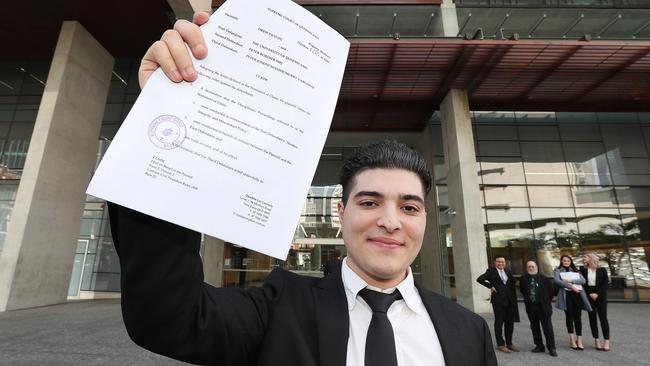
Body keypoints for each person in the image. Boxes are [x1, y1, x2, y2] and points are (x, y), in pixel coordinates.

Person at [108, 13, 498, 366]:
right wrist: (165, 109)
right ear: (341, 212)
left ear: (426, 218)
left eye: (409, 208)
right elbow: (168, 319)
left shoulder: (469, 333)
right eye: (370, 201)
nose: (390, 222)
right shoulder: (279, 307)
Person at [476, 255, 520, 353]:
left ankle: (509, 343)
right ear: (495, 262)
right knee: (499, 322)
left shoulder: (508, 271)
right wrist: (490, 286)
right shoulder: (491, 271)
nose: (501, 263)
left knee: (509, 322)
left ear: (505, 263)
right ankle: (500, 344)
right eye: (499, 262)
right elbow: (480, 279)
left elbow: (511, 282)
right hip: (498, 301)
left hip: (510, 300)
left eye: (503, 262)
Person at [554, 254, 593, 351]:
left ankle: (579, 340)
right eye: (564, 260)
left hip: (577, 296)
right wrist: (572, 286)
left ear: (570, 261)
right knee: (569, 317)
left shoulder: (575, 270)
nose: (566, 262)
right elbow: (557, 281)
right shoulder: (558, 270)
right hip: (566, 296)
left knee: (578, 317)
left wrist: (571, 280)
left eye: (568, 261)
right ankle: (572, 339)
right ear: (561, 261)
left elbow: (583, 281)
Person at [519, 260, 557, 357]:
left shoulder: (544, 279)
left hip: (543, 307)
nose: (531, 268)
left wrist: (544, 300)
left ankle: (551, 347)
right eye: (529, 267)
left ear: (537, 267)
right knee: (534, 327)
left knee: (547, 328)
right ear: (527, 268)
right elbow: (523, 290)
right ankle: (539, 345)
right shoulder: (523, 279)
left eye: (532, 266)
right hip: (531, 307)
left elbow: (551, 292)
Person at [580, 252, 611, 351]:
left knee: (603, 318)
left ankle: (606, 341)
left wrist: (597, 294)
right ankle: (596, 340)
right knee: (592, 318)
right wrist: (590, 293)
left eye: (585, 256)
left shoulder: (602, 270)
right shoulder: (582, 270)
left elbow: (605, 284)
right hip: (589, 296)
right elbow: (583, 284)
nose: (583, 258)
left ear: (590, 258)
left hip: (600, 296)